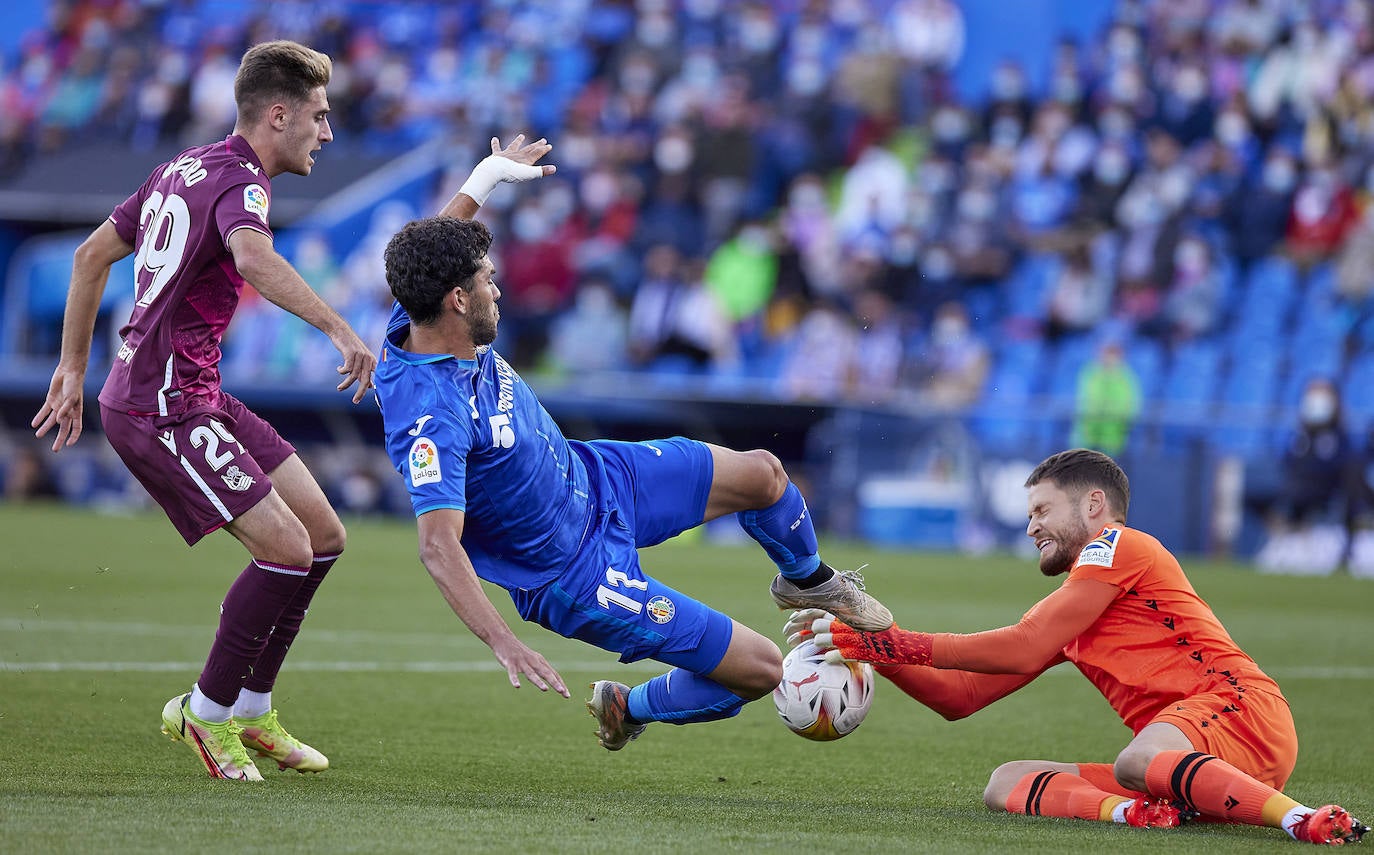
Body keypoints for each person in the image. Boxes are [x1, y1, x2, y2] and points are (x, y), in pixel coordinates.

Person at [372, 135, 892, 752]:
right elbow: (437, 546)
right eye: (488, 281)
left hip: (596, 478)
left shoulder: (421, 312)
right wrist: (500, 639)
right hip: (573, 571)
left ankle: (806, 580)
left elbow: (436, 243)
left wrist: (487, 175)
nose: (498, 290)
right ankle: (629, 705)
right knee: (760, 670)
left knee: (764, 475)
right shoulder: (430, 417)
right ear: (457, 300)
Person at [30, 41, 376, 782]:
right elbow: (251, 260)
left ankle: (252, 707)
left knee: (322, 535)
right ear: (276, 115)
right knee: (283, 549)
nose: (328, 131)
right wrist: (340, 328)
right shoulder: (241, 184)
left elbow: (92, 254)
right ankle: (207, 712)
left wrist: (72, 368)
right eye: (318, 115)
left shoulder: (182, 167)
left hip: (193, 391)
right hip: (162, 405)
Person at [790, 449, 1367, 845]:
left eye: (1041, 510)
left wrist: (894, 642)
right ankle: (1134, 813)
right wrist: (873, 648)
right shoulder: (1077, 599)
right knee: (1006, 782)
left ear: (1093, 505)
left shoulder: (1118, 545)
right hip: (1185, 764)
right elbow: (959, 697)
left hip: (1240, 709)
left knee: (1134, 759)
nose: (1030, 526)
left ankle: (1303, 820)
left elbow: (1022, 647)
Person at [1070, 339, 1141, 457]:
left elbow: (1129, 405)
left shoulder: (1126, 378)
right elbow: (1087, 401)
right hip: (1087, 433)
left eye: (1113, 355)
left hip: (1113, 436)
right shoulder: (1090, 373)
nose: (1109, 359)